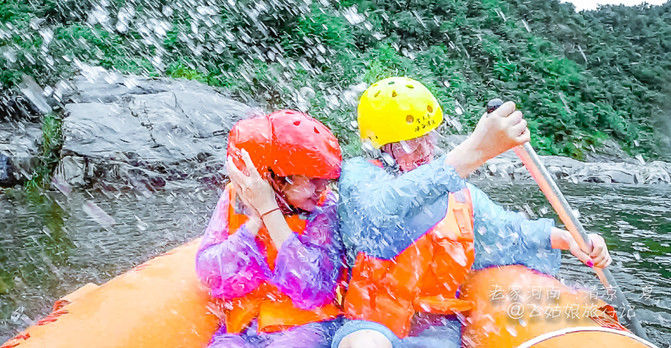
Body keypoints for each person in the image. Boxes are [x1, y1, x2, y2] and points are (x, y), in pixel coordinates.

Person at [332, 77, 612, 348]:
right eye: (412, 143)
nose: (427, 150)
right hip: (371, 324)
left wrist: (570, 239)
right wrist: (474, 151)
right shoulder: (360, 177)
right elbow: (377, 216)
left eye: (430, 137)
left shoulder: (459, 193)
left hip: (436, 331)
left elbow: (509, 231)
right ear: (383, 148)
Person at [196, 110, 345, 348]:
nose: (322, 186)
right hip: (242, 330)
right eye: (312, 179)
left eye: (325, 178)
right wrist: (254, 222)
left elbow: (313, 288)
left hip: (308, 326)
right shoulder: (234, 198)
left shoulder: (325, 208)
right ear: (275, 179)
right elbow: (211, 277)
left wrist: (270, 211)